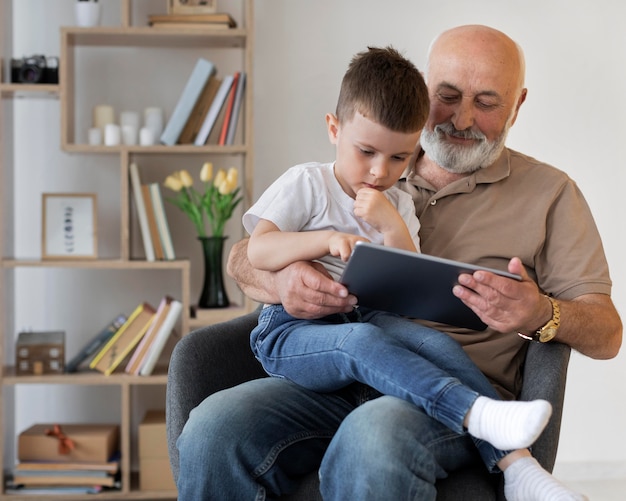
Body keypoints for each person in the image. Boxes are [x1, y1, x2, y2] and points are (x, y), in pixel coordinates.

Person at [177, 25, 622, 501]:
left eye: (488, 102)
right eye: (447, 96)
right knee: (212, 427)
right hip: (332, 372)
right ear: (423, 87)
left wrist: (539, 313)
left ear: (519, 104)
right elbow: (244, 257)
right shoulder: (364, 157)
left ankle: (508, 451)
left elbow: (608, 333)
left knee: (375, 433)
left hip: (445, 390)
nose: (463, 118)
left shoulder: (551, 194)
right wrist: (285, 278)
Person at [243, 45, 552, 471]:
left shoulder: (398, 203)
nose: (378, 172)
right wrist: (324, 240)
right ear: (334, 129)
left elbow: (408, 285)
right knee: (362, 341)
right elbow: (258, 250)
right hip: (291, 331)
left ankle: (517, 467)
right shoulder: (307, 184)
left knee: (431, 342)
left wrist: (392, 225)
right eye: (366, 152)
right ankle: (476, 413)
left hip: (366, 317)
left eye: (398, 158)